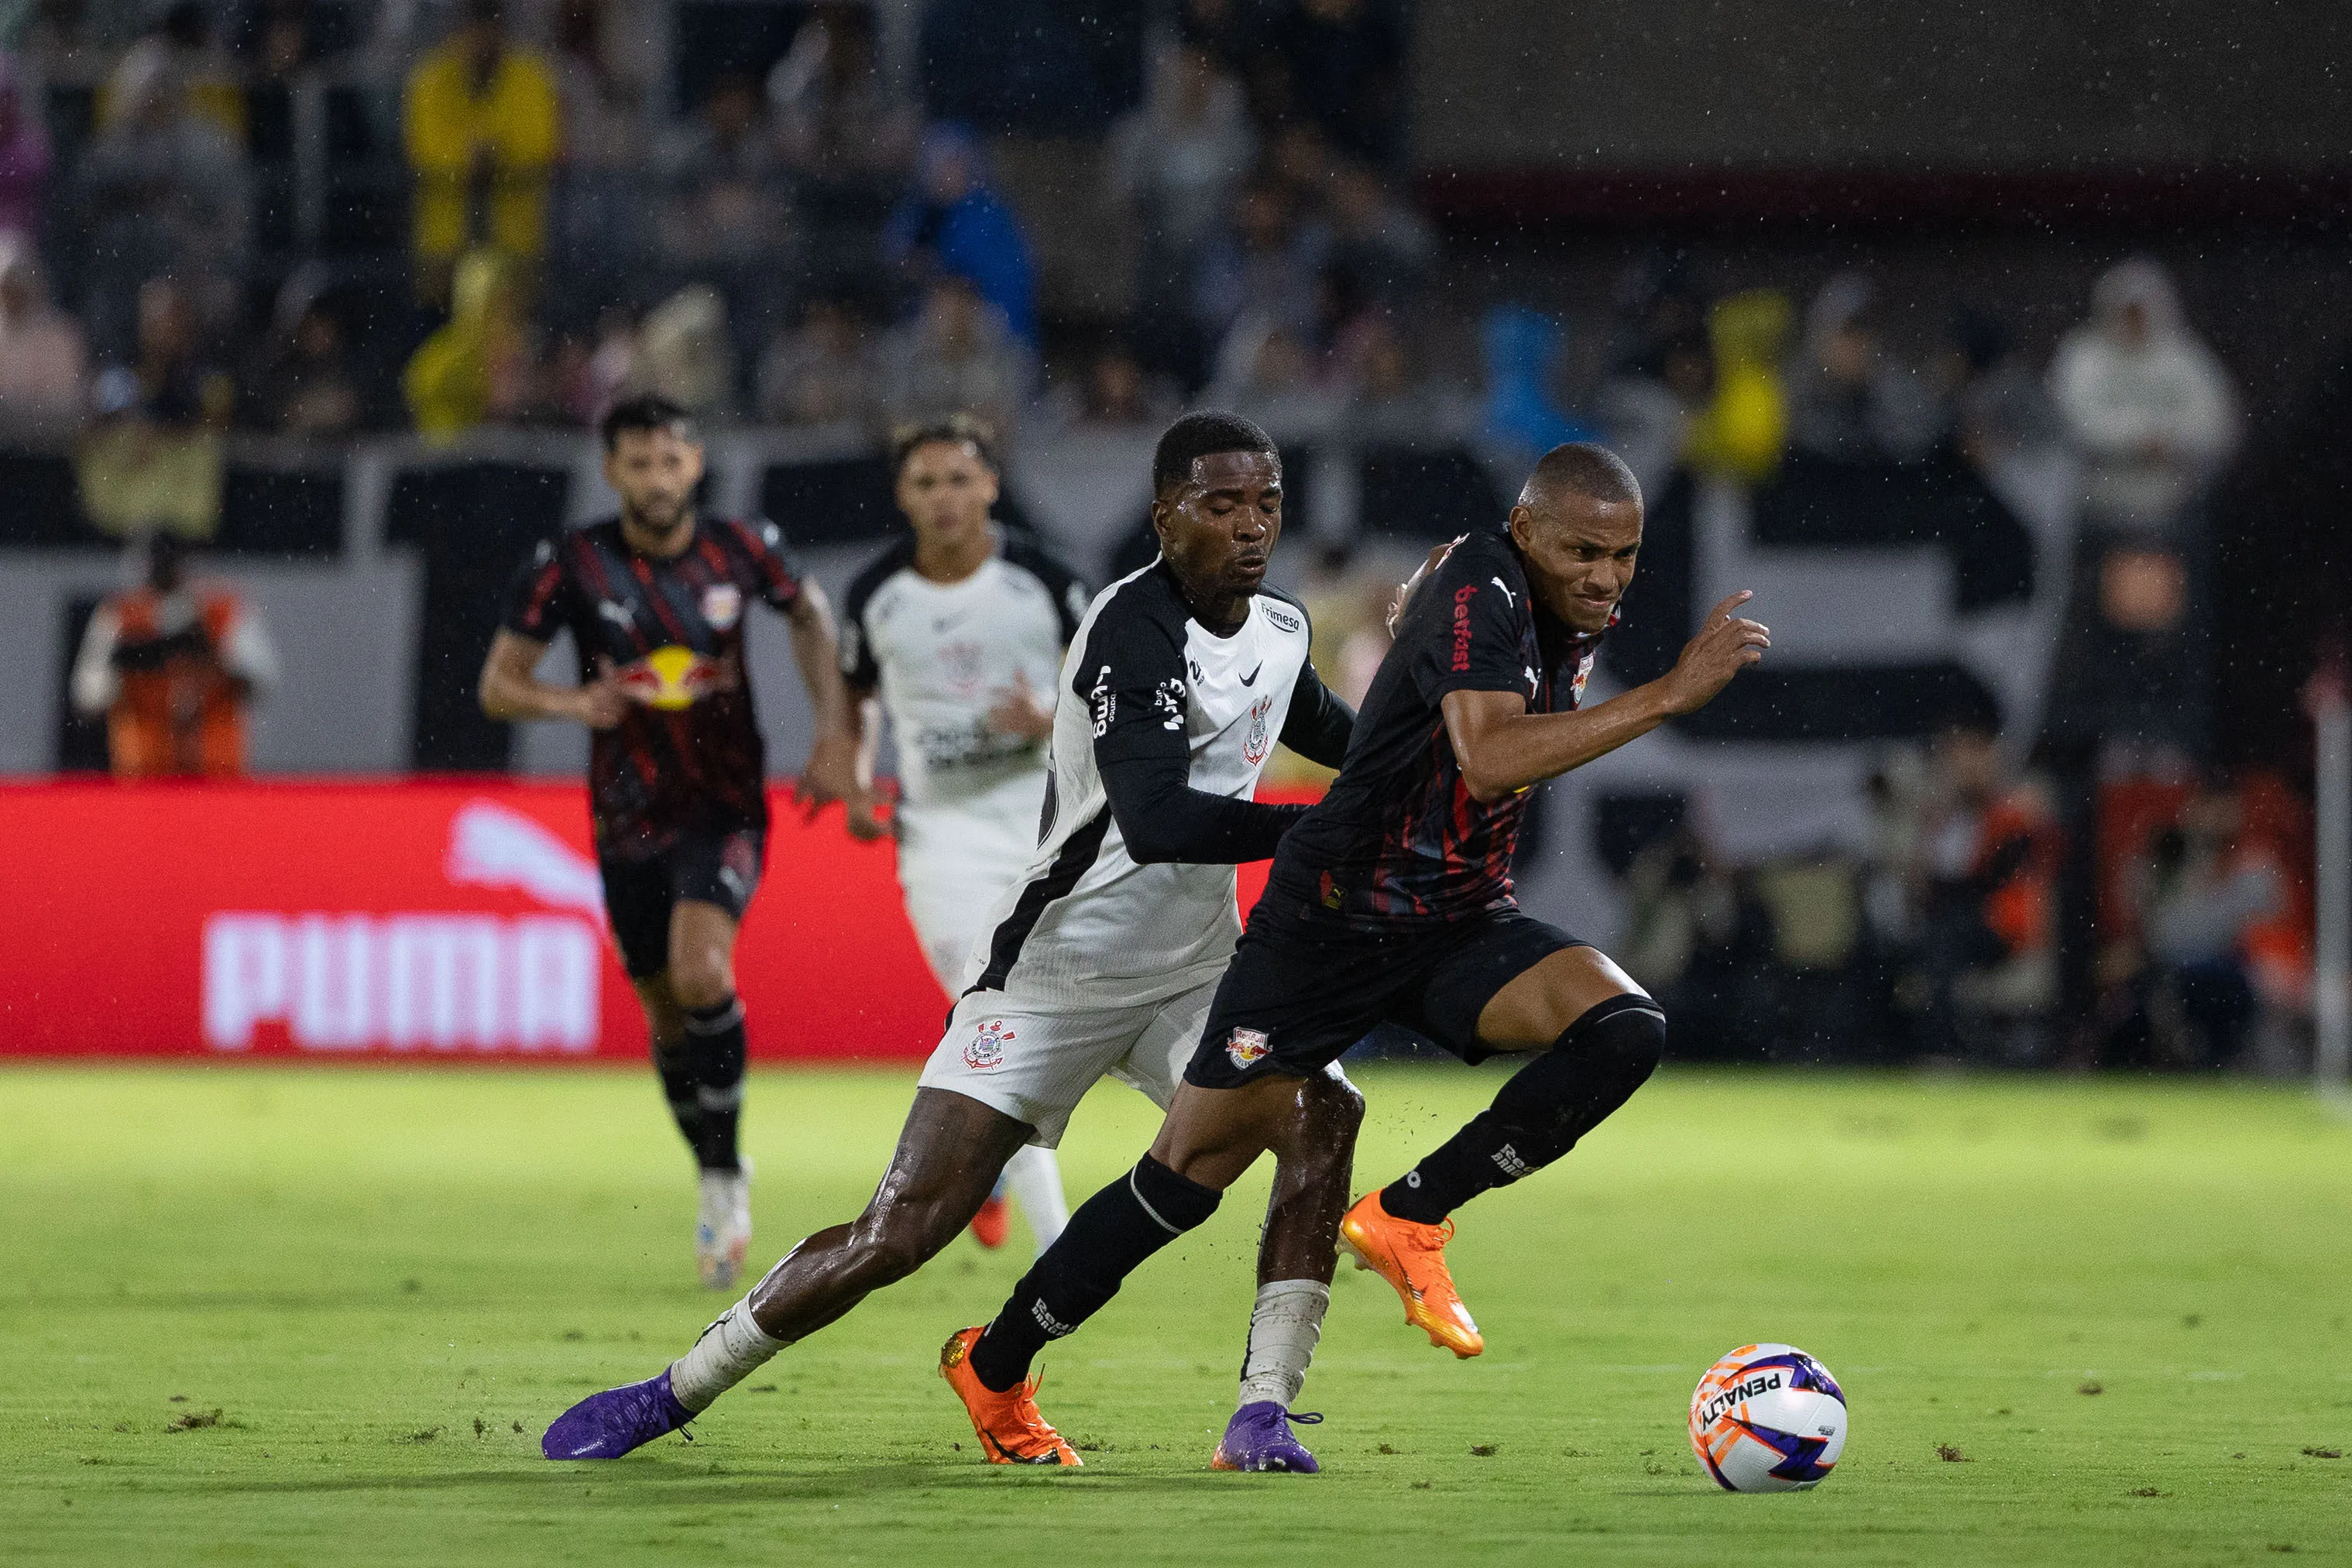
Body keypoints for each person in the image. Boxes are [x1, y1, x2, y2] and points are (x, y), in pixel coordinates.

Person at [539, 411, 1361, 1465]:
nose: (1252, 527)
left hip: (1195, 975)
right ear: (1164, 516)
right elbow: (1159, 822)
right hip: (1050, 975)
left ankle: (1261, 1410)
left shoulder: (1281, 631)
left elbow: (1354, 744)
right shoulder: (1128, 625)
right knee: (899, 1232)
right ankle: (674, 1390)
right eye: (1222, 504)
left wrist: (1457, 733)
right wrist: (1327, 833)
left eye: (1267, 505)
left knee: (1324, 1109)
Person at [942, 442, 1770, 1473]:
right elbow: (1493, 753)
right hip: (1329, 924)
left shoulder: (1524, 594)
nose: (1604, 576)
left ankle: (1410, 1213)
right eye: (1583, 551)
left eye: (1626, 556)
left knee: (1621, 1027)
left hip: (1458, 918)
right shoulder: (1484, 582)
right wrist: (1667, 696)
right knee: (1189, 1175)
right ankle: (999, 1357)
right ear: (1526, 535)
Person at [478, 394, 863, 1289]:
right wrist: (576, 703)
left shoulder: (742, 548)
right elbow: (501, 684)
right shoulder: (571, 562)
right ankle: (713, 1164)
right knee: (662, 1013)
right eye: (638, 464)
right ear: (612, 471)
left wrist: (833, 734)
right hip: (624, 818)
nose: (657, 479)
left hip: (723, 807)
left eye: (671, 461)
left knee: (701, 975)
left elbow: (807, 613)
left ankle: (726, 1180)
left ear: (696, 466)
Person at [835, 415, 1090, 1253]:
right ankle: (1059, 1246)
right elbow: (853, 699)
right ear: (903, 495)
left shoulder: (1046, 580)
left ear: (988, 484)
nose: (943, 498)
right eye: (925, 483)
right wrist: (852, 777)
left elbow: (1105, 691)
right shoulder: (877, 593)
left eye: (958, 480)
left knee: (1033, 1020)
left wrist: (1048, 718)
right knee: (989, 1012)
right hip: (938, 832)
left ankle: (984, 1167)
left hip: (1043, 821)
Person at [70, 533, 280, 777]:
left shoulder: (221, 611)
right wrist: (139, 658)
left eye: (167, 559)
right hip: (144, 773)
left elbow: (261, 679)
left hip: (217, 773)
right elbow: (88, 697)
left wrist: (208, 657)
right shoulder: (122, 617)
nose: (161, 568)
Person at [403, 0, 560, 301]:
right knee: (441, 334)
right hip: (446, 244)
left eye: (489, 28)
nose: (481, 40)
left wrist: (489, 153)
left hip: (515, 244)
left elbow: (541, 147)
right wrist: (474, 157)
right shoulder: (432, 78)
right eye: (475, 29)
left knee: (511, 336)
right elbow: (425, 151)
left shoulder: (532, 76)